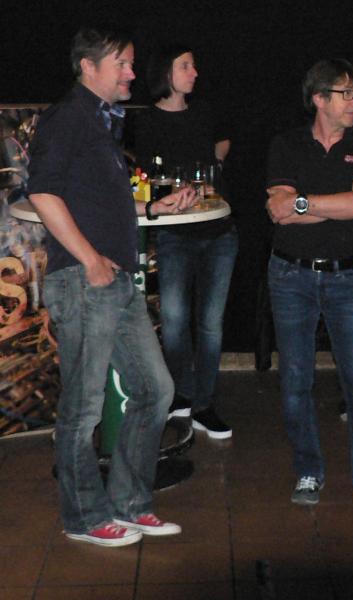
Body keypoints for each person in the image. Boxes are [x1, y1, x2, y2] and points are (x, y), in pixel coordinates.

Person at [27, 27, 195, 547]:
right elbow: (43, 193)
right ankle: (83, 517)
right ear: (88, 66)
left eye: (131, 64)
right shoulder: (67, 118)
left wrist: (151, 207)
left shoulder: (99, 122)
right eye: (121, 63)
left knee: (155, 390)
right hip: (85, 280)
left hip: (113, 279)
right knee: (83, 408)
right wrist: (90, 260)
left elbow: (92, 199)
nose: (131, 74)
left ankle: (129, 504)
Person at [265, 59, 353, 521]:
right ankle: (308, 471)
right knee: (295, 381)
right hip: (290, 276)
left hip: (348, 277)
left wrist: (303, 203)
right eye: (347, 93)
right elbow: (278, 213)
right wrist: (338, 206)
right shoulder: (286, 145)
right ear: (319, 98)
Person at [134, 44, 237, 439]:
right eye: (185, 66)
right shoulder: (146, 121)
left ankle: (204, 405)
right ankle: (181, 394)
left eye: (193, 65)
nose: (194, 72)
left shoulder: (204, 111)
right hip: (175, 233)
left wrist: (214, 166)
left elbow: (223, 142)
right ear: (166, 72)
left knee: (210, 324)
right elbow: (145, 175)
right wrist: (175, 190)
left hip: (219, 230)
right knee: (175, 322)